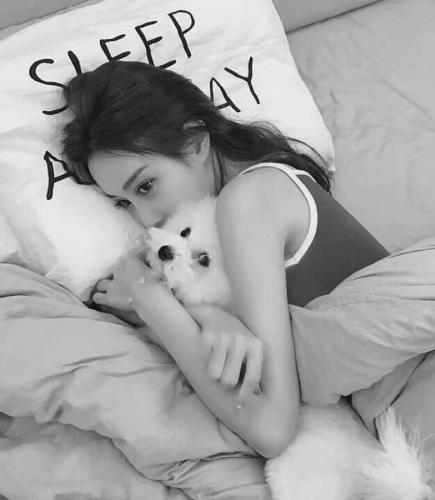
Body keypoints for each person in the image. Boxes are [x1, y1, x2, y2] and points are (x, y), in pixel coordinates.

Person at [61, 60, 388, 459]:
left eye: (146, 186)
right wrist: (207, 316)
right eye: (124, 203)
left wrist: (149, 299)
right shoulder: (231, 225)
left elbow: (271, 428)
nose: (145, 220)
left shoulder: (248, 199)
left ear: (196, 143)